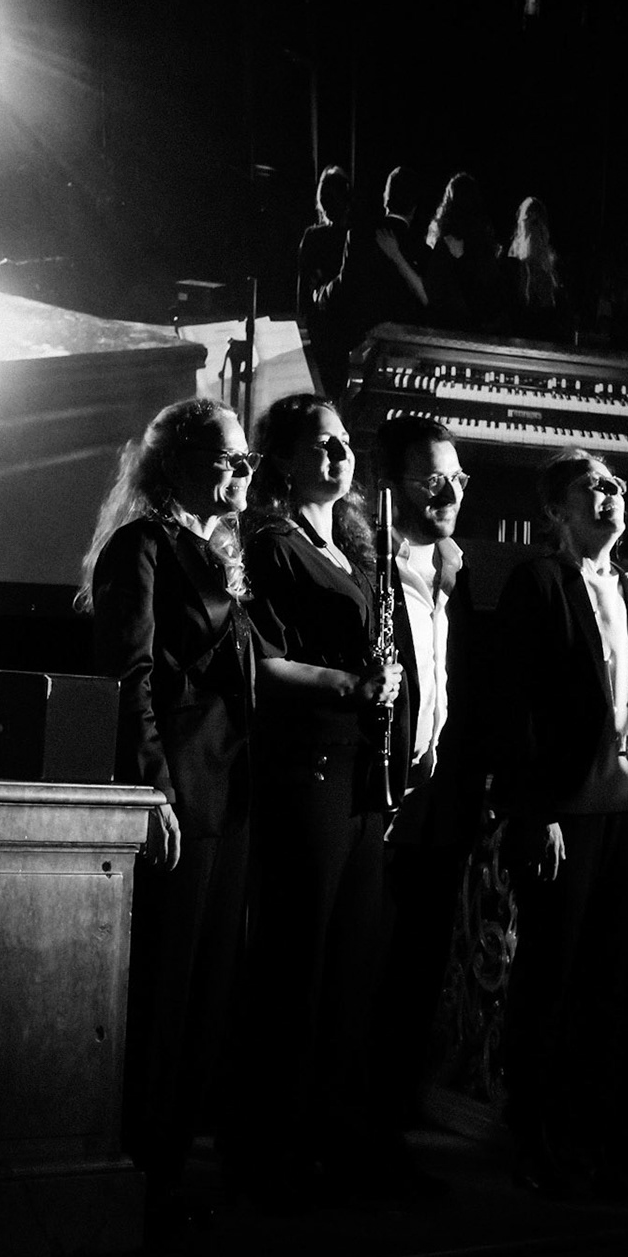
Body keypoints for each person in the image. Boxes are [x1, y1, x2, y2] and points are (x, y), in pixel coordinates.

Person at [78, 397, 260, 1234]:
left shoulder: (220, 550)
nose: (243, 473)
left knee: (210, 991)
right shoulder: (141, 546)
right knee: (165, 989)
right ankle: (139, 1173)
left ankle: (176, 1166)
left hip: (232, 790)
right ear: (178, 461)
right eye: (228, 458)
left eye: (246, 460)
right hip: (181, 790)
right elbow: (132, 672)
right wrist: (153, 788)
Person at [491, 447, 628, 1201]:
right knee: (550, 979)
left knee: (607, 986)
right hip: (565, 814)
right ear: (558, 510)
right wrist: (534, 810)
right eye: (593, 487)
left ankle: (587, 1139)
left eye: (617, 486)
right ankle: (532, 1138)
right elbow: (518, 705)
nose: (611, 496)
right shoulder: (538, 581)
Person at [230, 391, 403, 1207]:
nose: (339, 457)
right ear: (286, 459)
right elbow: (260, 663)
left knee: (351, 966)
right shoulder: (268, 544)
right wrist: (350, 682)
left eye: (344, 446)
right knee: (294, 965)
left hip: (361, 768)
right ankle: (270, 1150)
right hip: (305, 768)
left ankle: (332, 1140)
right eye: (321, 445)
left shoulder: (358, 547)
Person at [368, 416, 488, 1197]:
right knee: (364, 977)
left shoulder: (456, 566)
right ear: (397, 485)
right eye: (432, 478)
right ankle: (349, 1134)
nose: (449, 492)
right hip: (375, 804)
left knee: (415, 977)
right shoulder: (369, 561)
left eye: (458, 479)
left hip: (439, 807)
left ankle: (388, 1135)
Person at [313, 166, 429, 397]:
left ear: (386, 199)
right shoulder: (422, 249)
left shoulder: (359, 235)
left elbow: (344, 289)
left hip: (362, 352)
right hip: (406, 357)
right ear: (415, 208)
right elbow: (427, 300)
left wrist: (321, 294)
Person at [422, 172, 511, 335]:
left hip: (446, 332)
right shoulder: (486, 248)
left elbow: (433, 294)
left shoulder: (445, 244)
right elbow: (493, 298)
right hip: (477, 334)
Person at [297, 166, 353, 396]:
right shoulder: (354, 237)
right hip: (347, 332)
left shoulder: (312, 236)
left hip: (318, 330)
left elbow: (303, 293)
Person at [506, 196, 573, 343]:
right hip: (520, 340)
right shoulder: (513, 265)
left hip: (547, 340)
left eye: (538, 221)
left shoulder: (554, 268)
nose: (534, 226)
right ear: (521, 224)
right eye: (529, 220)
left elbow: (560, 313)